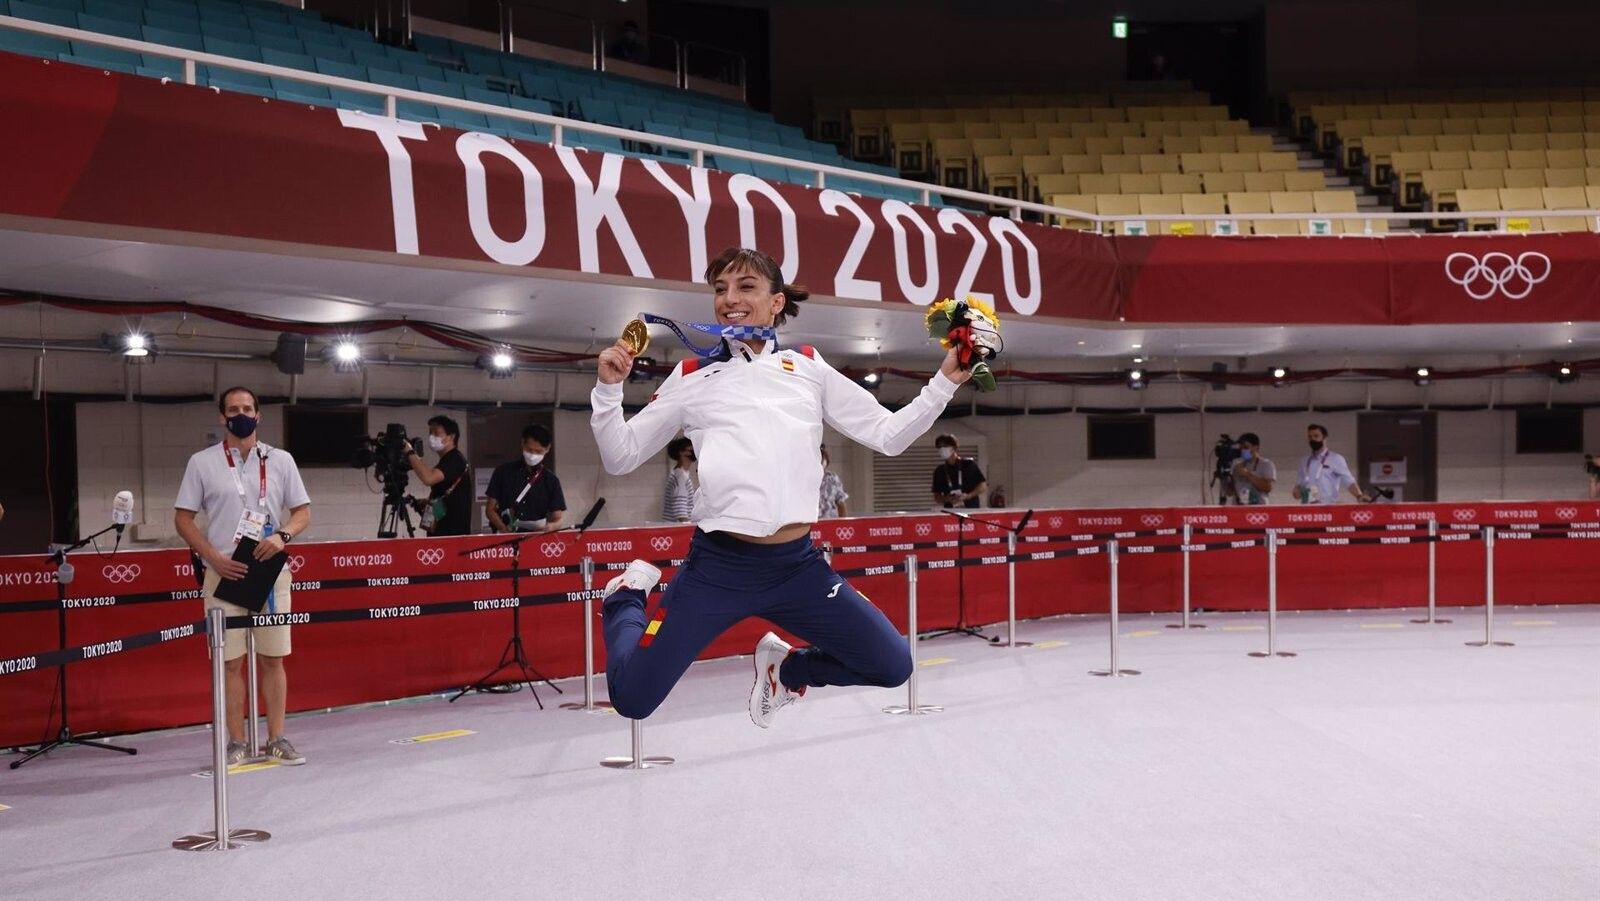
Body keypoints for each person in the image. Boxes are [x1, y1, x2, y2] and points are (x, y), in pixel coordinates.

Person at [590, 246, 970, 728]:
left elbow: (889, 436)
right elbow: (619, 456)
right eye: (720, 289)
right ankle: (625, 597)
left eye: (746, 286)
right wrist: (607, 392)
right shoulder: (691, 377)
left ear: (776, 302)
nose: (730, 298)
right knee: (633, 698)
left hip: (798, 569)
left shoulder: (808, 367)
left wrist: (944, 382)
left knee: (892, 664)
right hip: (718, 569)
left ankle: (788, 670)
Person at [173, 386, 311, 767]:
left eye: (248, 407)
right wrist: (213, 558)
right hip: (223, 572)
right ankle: (236, 743)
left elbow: (302, 511)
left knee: (273, 658)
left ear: (259, 414)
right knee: (230, 662)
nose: (241, 413)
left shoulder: (280, 460)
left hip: (270, 572)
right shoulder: (202, 462)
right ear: (222, 417)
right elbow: (182, 519)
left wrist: (283, 537)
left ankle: (277, 739)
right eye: (233, 409)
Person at [484, 424, 566, 533]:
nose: (533, 455)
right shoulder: (503, 472)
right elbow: (490, 510)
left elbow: (558, 519)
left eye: (538, 451)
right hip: (506, 537)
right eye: (530, 450)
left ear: (547, 449)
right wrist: (503, 528)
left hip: (537, 538)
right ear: (522, 443)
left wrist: (550, 527)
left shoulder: (551, 480)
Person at [405, 415, 472, 535]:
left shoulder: (455, 459)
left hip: (452, 536)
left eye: (436, 433)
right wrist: (428, 501)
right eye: (430, 433)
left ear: (451, 437)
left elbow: (428, 478)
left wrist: (409, 452)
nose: (432, 437)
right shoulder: (446, 460)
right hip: (442, 532)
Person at [1295, 423, 1367, 504]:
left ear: (1324, 438)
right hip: (1307, 508)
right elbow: (1300, 484)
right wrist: (1297, 491)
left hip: (1328, 508)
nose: (1313, 439)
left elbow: (1349, 481)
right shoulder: (1304, 461)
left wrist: (1359, 496)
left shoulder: (1336, 459)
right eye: (1310, 437)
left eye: (1316, 436)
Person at [931, 434, 986, 509]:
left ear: (953, 447)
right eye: (939, 447)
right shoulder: (940, 470)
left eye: (944, 446)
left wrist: (968, 496)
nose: (941, 449)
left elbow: (983, 486)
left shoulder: (969, 464)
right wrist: (946, 498)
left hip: (971, 508)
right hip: (950, 510)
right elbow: (936, 496)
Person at [1230, 433, 1277, 505]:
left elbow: (1268, 488)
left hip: (1259, 508)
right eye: (1241, 448)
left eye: (1246, 447)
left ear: (1256, 447)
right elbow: (1229, 492)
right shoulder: (1237, 465)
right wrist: (1227, 476)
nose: (1242, 450)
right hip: (1239, 509)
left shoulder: (1266, 464)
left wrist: (1247, 474)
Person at [661, 436, 697, 523]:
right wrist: (687, 528)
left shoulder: (679, 474)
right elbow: (680, 507)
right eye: (691, 449)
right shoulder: (680, 476)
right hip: (675, 530)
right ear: (681, 452)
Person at [818, 444, 848, 518]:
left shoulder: (832, 478)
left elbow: (841, 502)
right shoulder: (805, 479)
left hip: (830, 520)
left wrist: (843, 523)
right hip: (811, 523)